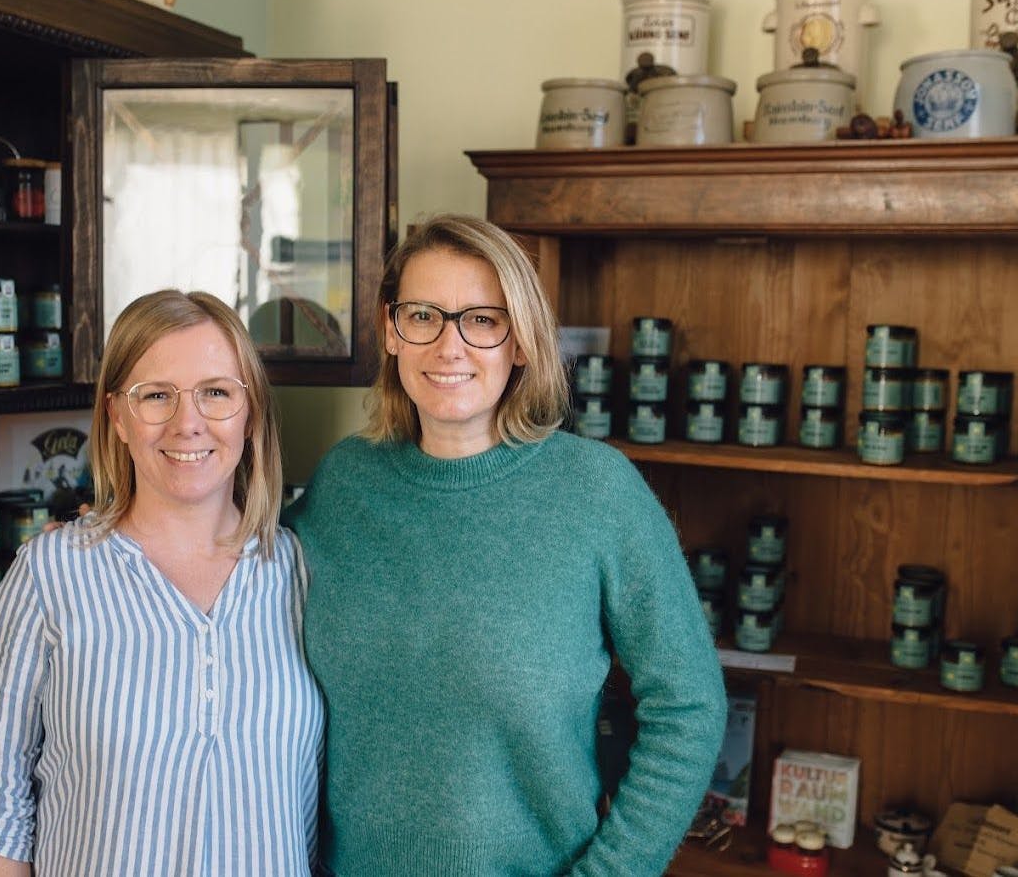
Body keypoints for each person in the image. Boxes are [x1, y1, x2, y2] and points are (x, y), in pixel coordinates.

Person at [282, 212, 727, 876]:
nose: (449, 346)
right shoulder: (344, 483)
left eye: (482, 320)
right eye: (423, 316)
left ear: (520, 342)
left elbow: (689, 707)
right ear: (391, 330)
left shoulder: (596, 492)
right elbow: (241, 598)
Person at [0, 290, 325, 876]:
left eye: (216, 393)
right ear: (117, 417)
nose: (187, 423)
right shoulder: (49, 577)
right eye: (156, 396)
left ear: (250, 414)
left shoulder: (297, 571)